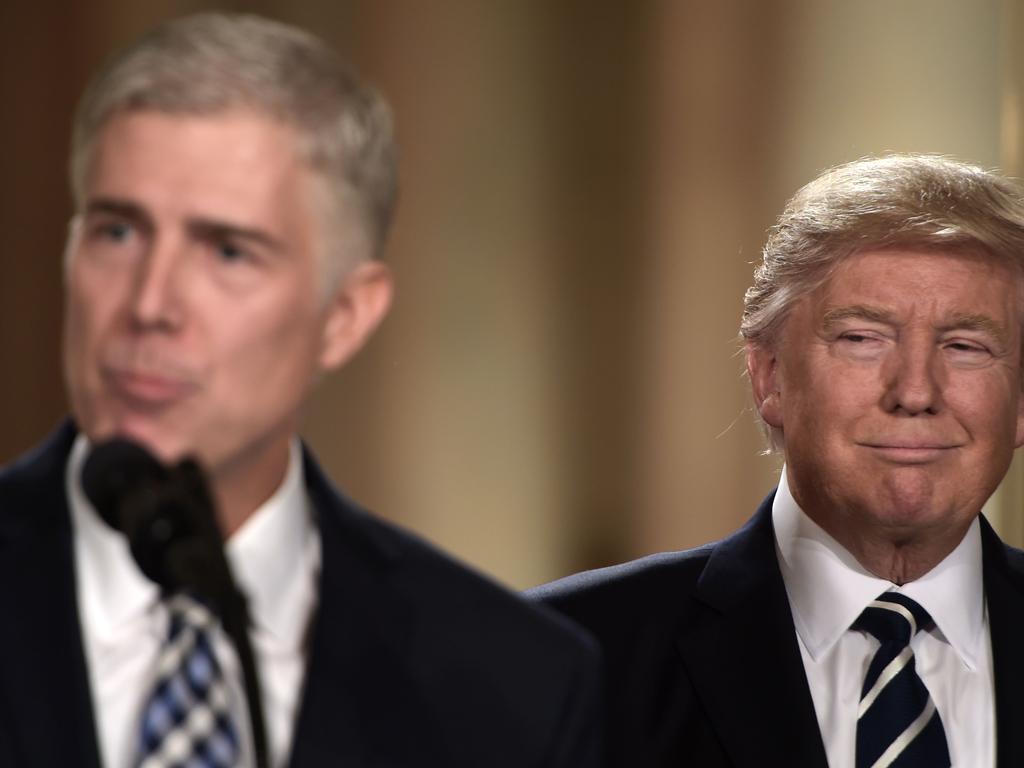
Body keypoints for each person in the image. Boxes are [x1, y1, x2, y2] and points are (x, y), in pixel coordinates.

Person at [0, 12, 600, 768]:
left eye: (227, 251)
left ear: (344, 318)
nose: (149, 303)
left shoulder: (513, 686)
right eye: (117, 232)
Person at [531, 154, 1024, 768]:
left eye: (966, 346)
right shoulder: (557, 659)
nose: (916, 392)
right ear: (769, 377)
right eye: (862, 339)